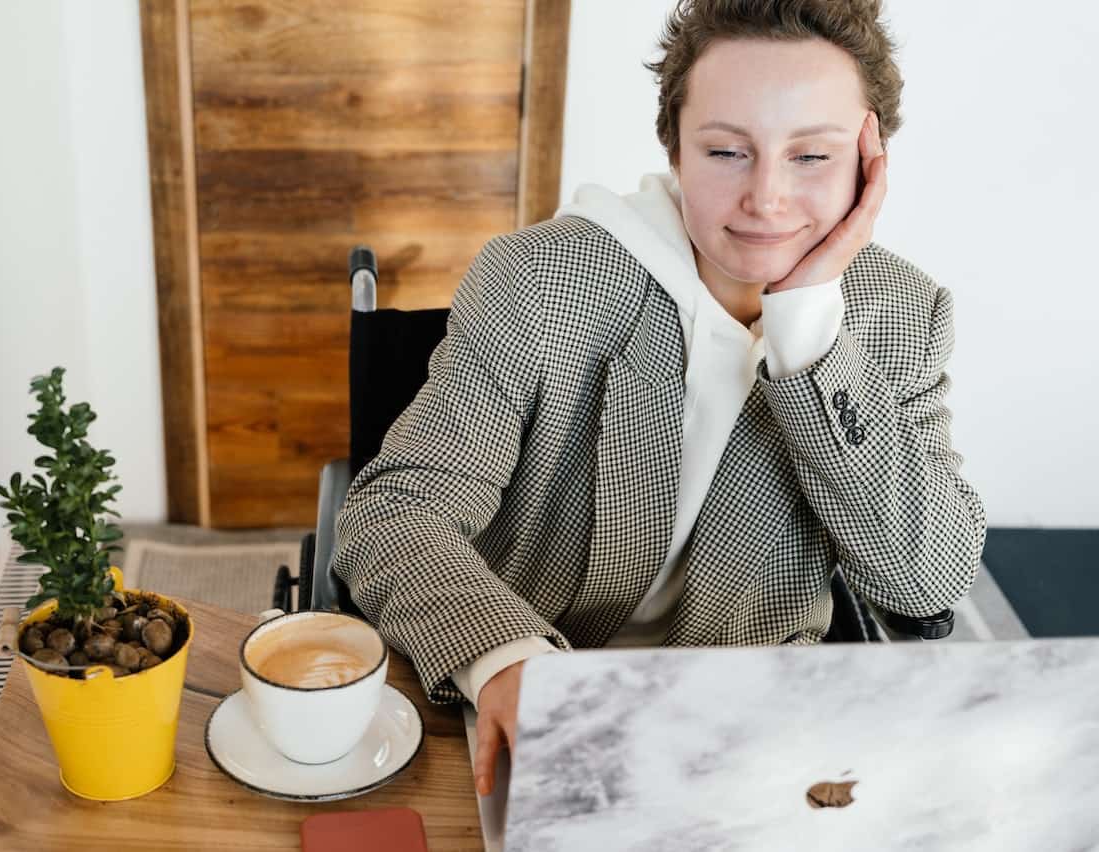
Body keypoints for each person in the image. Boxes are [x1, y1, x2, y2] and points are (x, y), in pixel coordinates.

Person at [331, 0, 987, 798]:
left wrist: (809, 331)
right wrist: (504, 661)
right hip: (531, 700)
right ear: (674, 146)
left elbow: (929, 582)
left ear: (869, 157)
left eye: (812, 156)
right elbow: (394, 511)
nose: (767, 200)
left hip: (748, 738)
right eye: (726, 151)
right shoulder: (540, 280)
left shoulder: (902, 316)